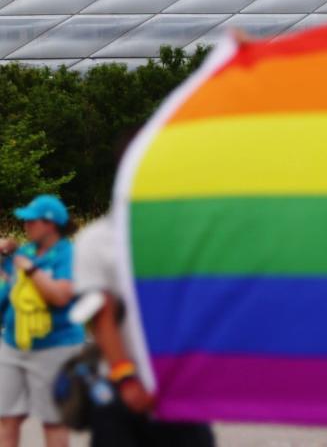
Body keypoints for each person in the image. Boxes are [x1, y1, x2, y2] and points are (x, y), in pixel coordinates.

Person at [71, 135, 215, 447]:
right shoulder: (97, 240)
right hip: (120, 388)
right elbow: (101, 316)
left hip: (177, 388)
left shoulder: (188, 237)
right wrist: (127, 378)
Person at [0, 196, 84, 447]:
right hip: (14, 343)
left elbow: (61, 296)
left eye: (31, 220)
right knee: (7, 418)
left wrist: (31, 270)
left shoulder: (68, 254)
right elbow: (9, 292)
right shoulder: (24, 251)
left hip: (55, 347)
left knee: (53, 421)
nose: (25, 225)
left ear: (50, 224)